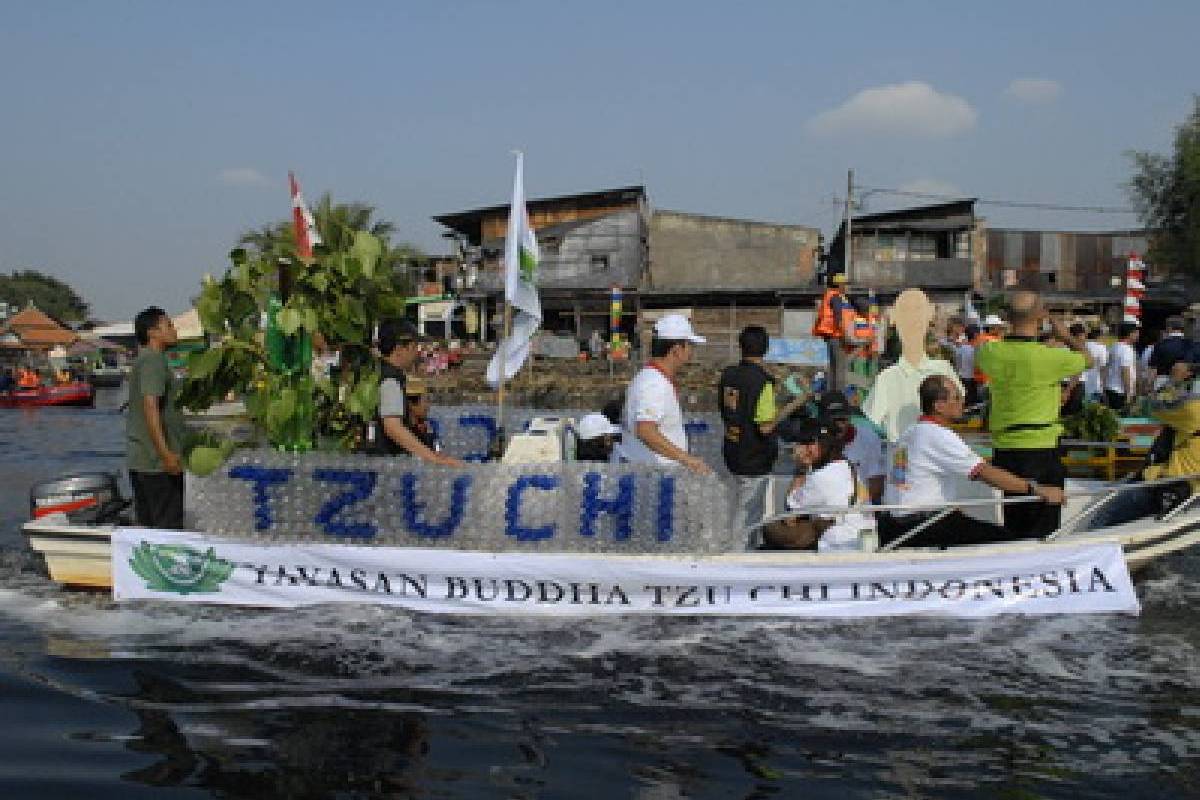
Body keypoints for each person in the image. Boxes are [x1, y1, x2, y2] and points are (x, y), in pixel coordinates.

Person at [878, 375, 1065, 548]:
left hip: (897, 526)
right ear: (939, 406)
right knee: (1011, 544)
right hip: (924, 526)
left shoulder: (908, 434)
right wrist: (1037, 489)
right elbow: (983, 472)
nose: (963, 402)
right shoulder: (937, 435)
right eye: (957, 398)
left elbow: (903, 483)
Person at [975, 290, 1090, 537]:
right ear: (1041, 317)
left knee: (1015, 519)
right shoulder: (1052, 358)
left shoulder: (990, 353)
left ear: (1007, 317)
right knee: (1044, 525)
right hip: (1041, 447)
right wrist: (1065, 335)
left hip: (1005, 449)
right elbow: (1087, 359)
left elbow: (999, 351)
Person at [718, 324, 806, 538]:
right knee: (749, 512)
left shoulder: (728, 375)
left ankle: (734, 545)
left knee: (733, 506)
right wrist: (795, 403)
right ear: (766, 349)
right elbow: (765, 426)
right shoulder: (762, 382)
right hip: (754, 456)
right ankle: (740, 555)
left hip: (732, 449)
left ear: (740, 347)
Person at [862, 288, 963, 442]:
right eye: (906, 312)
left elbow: (958, 409)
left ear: (930, 317)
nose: (913, 319)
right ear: (894, 319)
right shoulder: (887, 378)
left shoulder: (943, 369)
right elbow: (872, 422)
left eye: (919, 311)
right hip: (902, 459)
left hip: (937, 453)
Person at [621, 314, 711, 474]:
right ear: (676, 350)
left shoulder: (651, 377)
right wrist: (686, 458)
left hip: (654, 473)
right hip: (654, 475)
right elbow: (645, 430)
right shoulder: (655, 384)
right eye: (689, 345)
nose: (692, 352)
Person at [764, 417, 871, 552]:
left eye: (810, 443)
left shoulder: (821, 477)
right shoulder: (847, 466)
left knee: (770, 529)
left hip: (841, 544)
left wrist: (801, 468)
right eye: (803, 443)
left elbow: (791, 510)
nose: (805, 448)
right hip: (862, 536)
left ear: (825, 444)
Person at [368, 319, 464, 466]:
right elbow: (393, 427)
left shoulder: (377, 373)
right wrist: (434, 458)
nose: (417, 353)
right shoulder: (390, 381)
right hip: (388, 468)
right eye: (414, 347)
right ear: (400, 349)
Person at [126, 306, 186, 529]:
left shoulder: (144, 360)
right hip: (156, 464)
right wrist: (166, 455)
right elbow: (151, 406)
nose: (174, 330)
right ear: (153, 332)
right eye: (168, 325)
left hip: (143, 460)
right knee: (167, 528)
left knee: (151, 527)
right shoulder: (153, 361)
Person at [817, 390, 885, 503]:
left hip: (856, 510)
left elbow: (876, 485)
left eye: (843, 419)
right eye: (834, 421)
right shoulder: (814, 442)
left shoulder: (869, 438)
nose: (839, 426)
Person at [812, 273, 852, 390]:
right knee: (840, 368)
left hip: (830, 336)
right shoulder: (836, 297)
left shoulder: (828, 296)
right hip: (836, 335)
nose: (845, 287)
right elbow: (838, 318)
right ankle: (838, 394)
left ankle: (831, 393)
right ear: (839, 285)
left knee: (833, 367)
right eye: (844, 284)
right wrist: (845, 336)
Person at [1148, 316, 1194, 390]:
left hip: (1162, 382)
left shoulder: (1159, 345)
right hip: (1184, 382)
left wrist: (1149, 386)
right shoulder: (1190, 344)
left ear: (1169, 328)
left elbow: (1153, 369)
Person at [1104, 322, 1140, 412]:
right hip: (1120, 391)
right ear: (1130, 334)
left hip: (1111, 387)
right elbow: (1125, 371)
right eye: (1136, 332)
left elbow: (1106, 367)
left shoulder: (1114, 346)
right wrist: (1128, 393)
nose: (1138, 335)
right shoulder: (1126, 349)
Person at [402, 377, 440, 453]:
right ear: (411, 404)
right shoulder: (404, 432)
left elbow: (437, 450)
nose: (428, 406)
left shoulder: (428, 427)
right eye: (425, 401)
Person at [1079, 324, 1109, 402]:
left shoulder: (1083, 345)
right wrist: (1104, 385)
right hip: (1095, 384)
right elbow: (1103, 368)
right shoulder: (1101, 348)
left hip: (1081, 383)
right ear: (1099, 336)